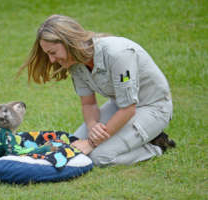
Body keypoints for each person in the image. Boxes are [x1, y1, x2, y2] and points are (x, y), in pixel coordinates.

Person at [18, 14, 175, 166]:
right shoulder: (75, 62)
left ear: (68, 42)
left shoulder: (118, 54)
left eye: (52, 53)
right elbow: (88, 104)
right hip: (120, 105)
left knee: (98, 157)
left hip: (152, 108)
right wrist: (93, 125)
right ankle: (134, 138)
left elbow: (128, 109)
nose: (52, 60)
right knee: (73, 144)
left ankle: (156, 145)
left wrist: (92, 142)